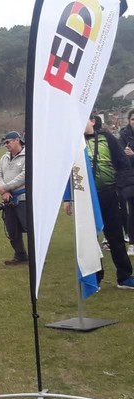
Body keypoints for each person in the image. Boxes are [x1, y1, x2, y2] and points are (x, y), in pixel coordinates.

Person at [65, 116, 134, 289]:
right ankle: (95, 278)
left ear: (92, 121)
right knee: (90, 239)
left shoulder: (106, 137)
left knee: (116, 236)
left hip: (110, 194)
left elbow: (122, 162)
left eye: (84, 120)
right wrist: (68, 198)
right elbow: (67, 171)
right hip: (86, 198)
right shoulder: (73, 144)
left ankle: (124, 276)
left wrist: (119, 186)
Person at [0, 131, 27, 265]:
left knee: (29, 227)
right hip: (8, 199)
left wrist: (6, 188)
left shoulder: (27, 156)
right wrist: (4, 191)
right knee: (11, 228)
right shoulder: (4, 158)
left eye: (8, 142)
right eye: (5, 143)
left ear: (16, 140)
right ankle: (19, 255)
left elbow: (25, 175)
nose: (6, 145)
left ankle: (37, 256)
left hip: (24, 198)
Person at [117, 109, 134, 255]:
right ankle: (132, 242)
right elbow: (121, 157)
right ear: (129, 121)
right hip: (129, 179)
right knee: (132, 210)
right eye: (133, 119)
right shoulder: (123, 136)